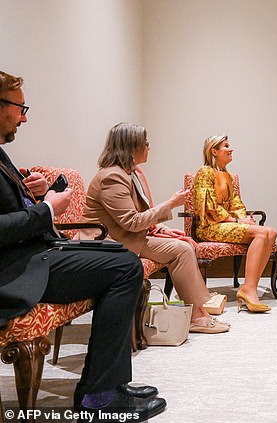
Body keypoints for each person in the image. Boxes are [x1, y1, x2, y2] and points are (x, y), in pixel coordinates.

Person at [0, 71, 166, 420]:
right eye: (20, 107)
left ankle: (109, 384)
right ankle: (99, 396)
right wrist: (47, 210)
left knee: (122, 257)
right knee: (125, 267)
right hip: (16, 268)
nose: (25, 116)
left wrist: (38, 193)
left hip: (38, 251)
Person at [79, 122, 229, 334]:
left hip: (127, 237)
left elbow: (137, 216)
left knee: (183, 245)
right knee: (181, 250)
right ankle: (197, 314)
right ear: (131, 147)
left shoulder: (131, 174)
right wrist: (170, 204)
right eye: (145, 143)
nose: (149, 147)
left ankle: (198, 312)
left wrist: (163, 230)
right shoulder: (111, 177)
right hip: (109, 243)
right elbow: (132, 221)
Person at [193, 135, 277, 313]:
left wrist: (245, 219)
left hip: (227, 224)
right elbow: (209, 208)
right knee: (262, 233)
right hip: (210, 227)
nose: (231, 149)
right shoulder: (205, 172)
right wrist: (238, 220)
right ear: (214, 151)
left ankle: (249, 288)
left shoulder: (228, 176)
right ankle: (249, 289)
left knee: (271, 233)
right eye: (226, 146)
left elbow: (236, 204)